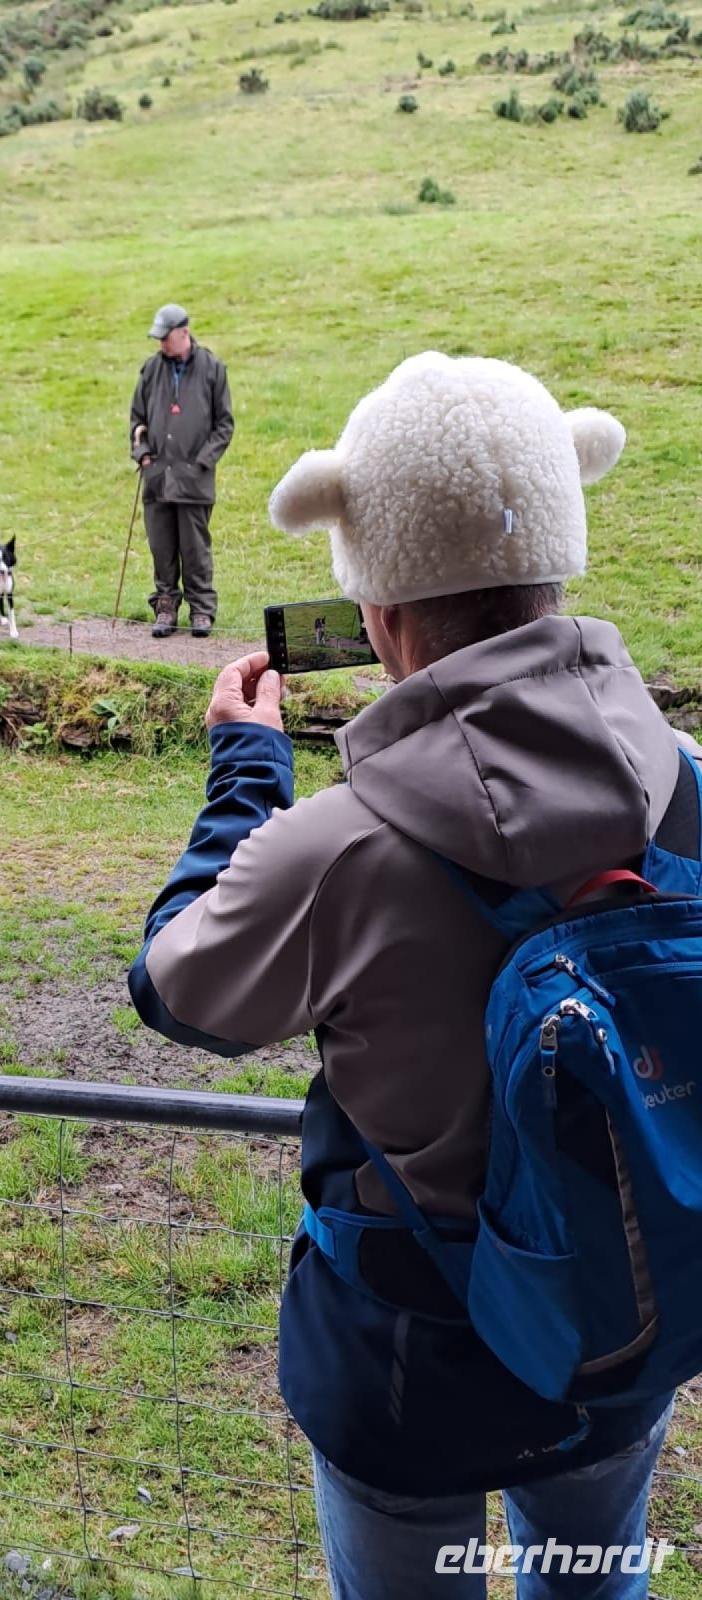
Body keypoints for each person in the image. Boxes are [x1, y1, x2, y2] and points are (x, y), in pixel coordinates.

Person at [128, 352, 686, 1598]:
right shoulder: (685, 783)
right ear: (560, 556)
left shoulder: (334, 852)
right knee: (593, 1579)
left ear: (376, 609)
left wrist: (245, 780)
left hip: (409, 1368)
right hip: (626, 1329)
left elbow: (178, 988)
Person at [129, 303, 234, 639]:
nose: (161, 344)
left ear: (184, 332)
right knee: (162, 548)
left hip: (194, 480)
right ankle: (165, 607)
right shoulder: (150, 370)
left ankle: (202, 610)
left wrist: (202, 461)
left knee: (194, 548)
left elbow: (224, 425)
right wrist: (143, 454)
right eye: (158, 338)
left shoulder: (212, 368)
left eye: (165, 337)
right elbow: (137, 420)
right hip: (157, 479)